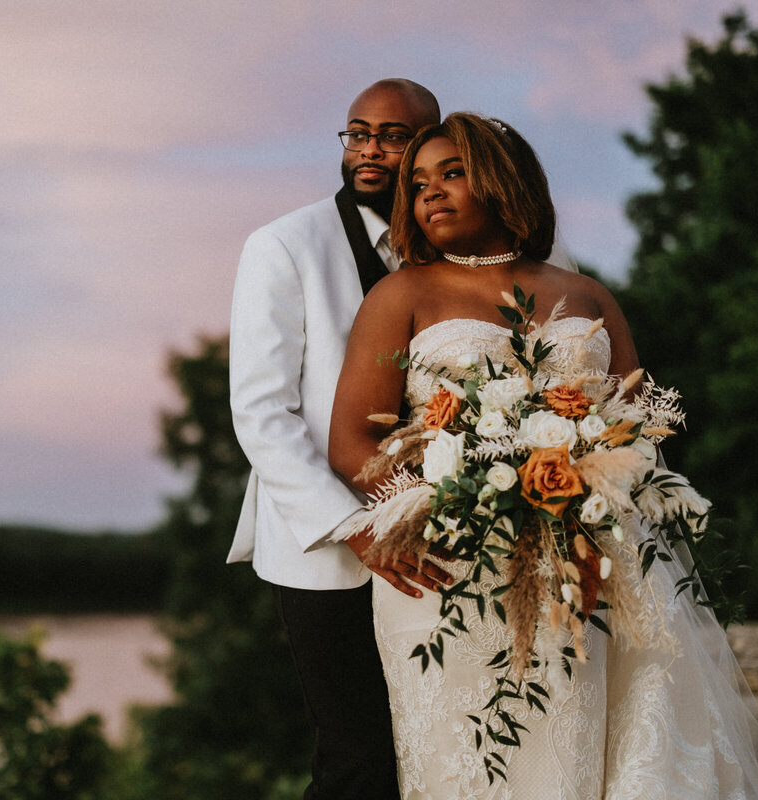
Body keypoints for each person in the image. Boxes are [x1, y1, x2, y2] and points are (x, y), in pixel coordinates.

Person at [327, 112, 758, 798]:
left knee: (584, 746)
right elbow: (352, 439)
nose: (430, 193)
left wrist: (585, 471)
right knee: (467, 756)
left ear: (505, 180)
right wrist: (435, 503)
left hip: (588, 557)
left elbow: (636, 425)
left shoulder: (587, 296)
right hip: (451, 564)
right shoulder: (400, 294)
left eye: (454, 173)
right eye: (419, 184)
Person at [227, 79, 446, 799]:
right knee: (357, 760)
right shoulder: (283, 246)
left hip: (444, 545)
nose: (370, 150)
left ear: (433, 146)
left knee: (438, 747)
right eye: (357, 133)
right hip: (327, 549)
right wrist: (353, 527)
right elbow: (262, 413)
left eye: (392, 136)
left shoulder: (457, 241)